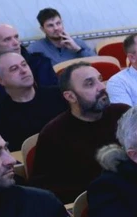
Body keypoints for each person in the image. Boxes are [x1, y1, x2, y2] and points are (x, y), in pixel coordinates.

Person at [28, 63, 128, 202]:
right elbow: (46, 187)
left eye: (100, 79)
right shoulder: (53, 134)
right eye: (90, 84)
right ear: (70, 97)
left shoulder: (123, 113)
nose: (102, 86)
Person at [0, 50, 68, 150]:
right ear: (0, 80)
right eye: (14, 69)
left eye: (24, 65)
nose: (24, 71)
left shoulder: (59, 95)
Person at [0, 24, 57, 113]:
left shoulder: (40, 62)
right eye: (7, 39)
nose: (16, 43)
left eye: (16, 37)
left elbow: (53, 95)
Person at [26, 8, 96, 64]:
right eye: (50, 25)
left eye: (58, 23)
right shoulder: (35, 48)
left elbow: (97, 63)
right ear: (42, 29)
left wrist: (78, 49)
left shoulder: (78, 43)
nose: (56, 28)